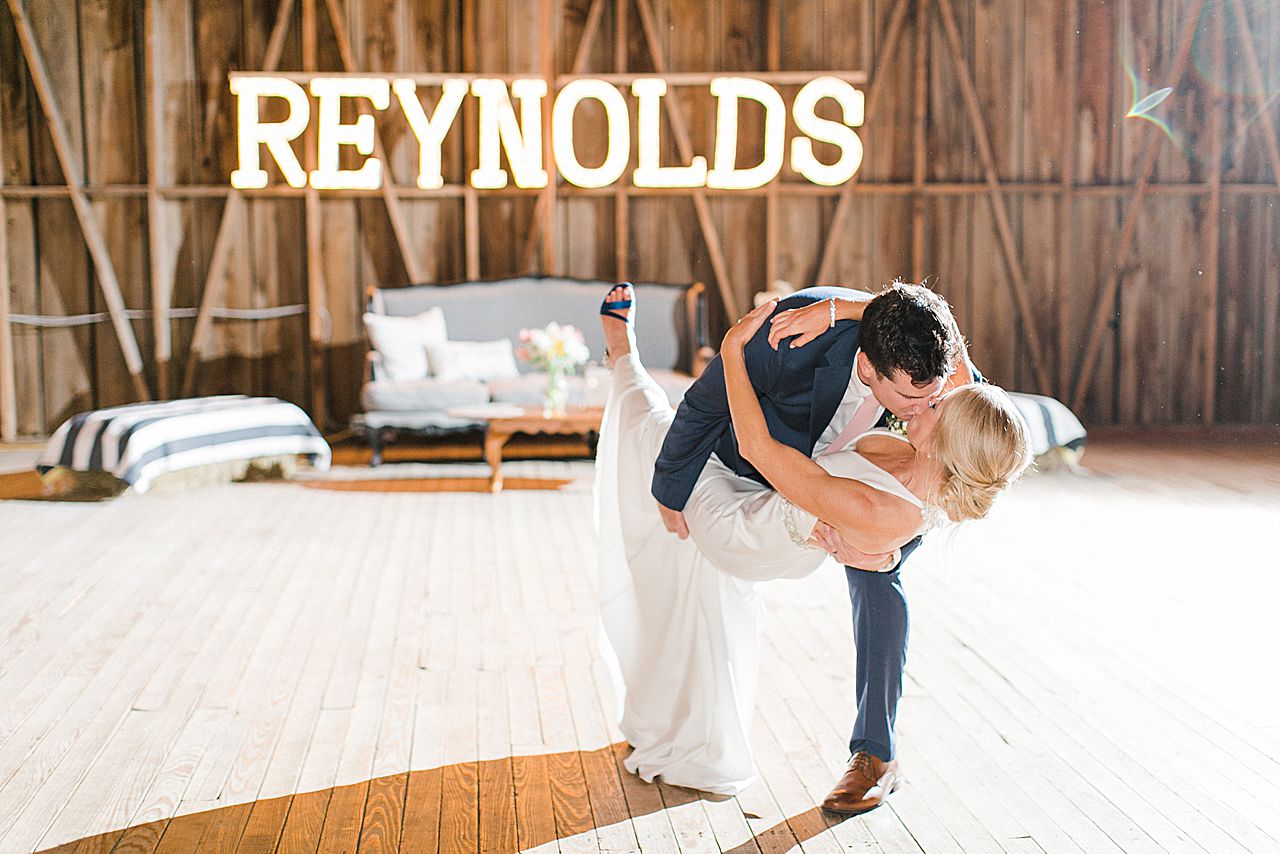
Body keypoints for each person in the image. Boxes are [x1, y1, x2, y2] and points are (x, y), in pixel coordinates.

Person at [595, 282, 1032, 799]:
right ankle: (624, 359)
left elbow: (956, 404)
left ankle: (876, 753)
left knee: (879, 576)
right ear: (870, 369)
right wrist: (838, 310)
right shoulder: (796, 341)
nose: (928, 404)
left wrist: (888, 546)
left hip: (789, 511)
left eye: (934, 399)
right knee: (658, 436)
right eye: (918, 399)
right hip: (757, 478)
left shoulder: (945, 401)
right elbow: (712, 409)